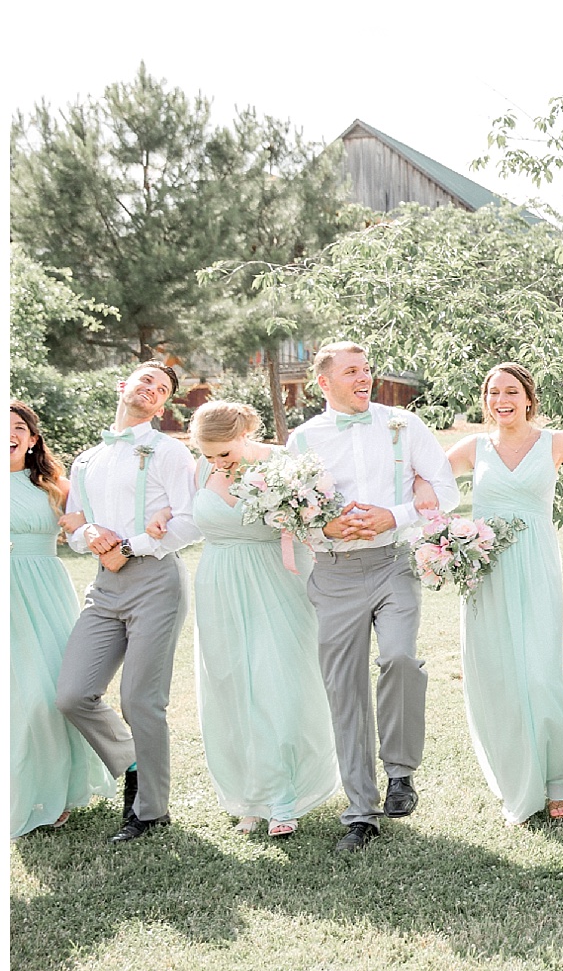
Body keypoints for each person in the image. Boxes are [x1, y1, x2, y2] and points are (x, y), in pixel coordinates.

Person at [287, 342, 459, 851]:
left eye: (367, 370)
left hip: (393, 564)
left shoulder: (403, 425)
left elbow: (446, 490)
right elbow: (286, 511)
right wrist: (325, 524)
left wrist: (396, 515)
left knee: (401, 658)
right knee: (345, 691)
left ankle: (401, 772)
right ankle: (360, 812)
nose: (364, 378)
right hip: (334, 571)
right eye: (352, 372)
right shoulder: (302, 440)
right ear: (325, 382)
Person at [442, 363, 563, 824]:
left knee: (538, 671)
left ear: (528, 397)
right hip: (484, 568)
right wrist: (442, 532)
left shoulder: (554, 442)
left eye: (510, 391)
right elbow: (426, 484)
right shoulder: (474, 447)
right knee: (495, 673)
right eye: (493, 392)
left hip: (534, 563)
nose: (501, 400)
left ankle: (557, 777)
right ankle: (517, 777)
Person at [56, 362, 199, 843]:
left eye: (161, 389)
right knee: (73, 694)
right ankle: (131, 761)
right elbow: (75, 524)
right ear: (124, 386)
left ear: (163, 405)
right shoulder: (86, 460)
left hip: (155, 582)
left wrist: (131, 546)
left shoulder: (169, 452)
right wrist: (92, 535)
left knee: (141, 699)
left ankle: (150, 811)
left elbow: (190, 522)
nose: (152, 390)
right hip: (104, 588)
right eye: (146, 380)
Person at [188, 401, 339, 838]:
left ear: (244, 435)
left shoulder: (282, 465)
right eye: (209, 454)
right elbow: (190, 522)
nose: (217, 462)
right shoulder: (201, 469)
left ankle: (284, 795)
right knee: (231, 687)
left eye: (223, 453)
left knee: (280, 686)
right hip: (218, 584)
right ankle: (249, 797)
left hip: (276, 582)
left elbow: (313, 522)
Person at [11, 403, 114, 838]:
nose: (9, 434)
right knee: (16, 699)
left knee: (48, 694)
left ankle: (56, 790)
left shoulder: (54, 485)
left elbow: (86, 528)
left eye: (19, 428)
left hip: (45, 593)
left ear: (33, 439)